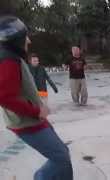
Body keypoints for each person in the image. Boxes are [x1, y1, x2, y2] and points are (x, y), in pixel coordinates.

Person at [0, 16, 73, 180]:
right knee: (61, 158)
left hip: (33, 120)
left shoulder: (13, 57)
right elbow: (4, 97)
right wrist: (36, 111)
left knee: (63, 154)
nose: (29, 40)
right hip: (26, 123)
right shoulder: (8, 60)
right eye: (25, 36)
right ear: (16, 39)